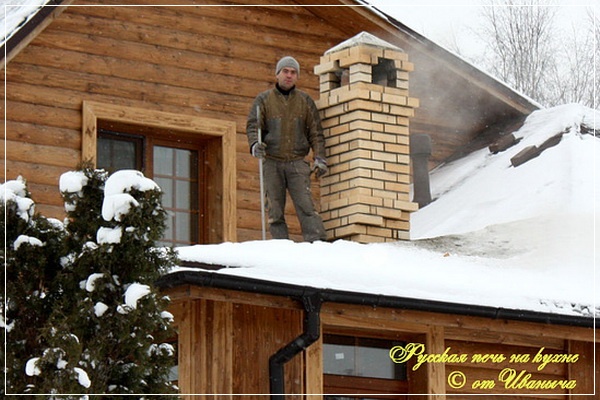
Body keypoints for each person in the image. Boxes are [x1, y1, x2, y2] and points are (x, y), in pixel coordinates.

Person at [246, 56, 328, 242]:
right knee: (274, 209)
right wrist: (254, 145)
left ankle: (317, 243)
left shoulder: (305, 101)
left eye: (293, 72)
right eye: (285, 71)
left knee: (306, 206)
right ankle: (279, 245)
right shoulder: (264, 100)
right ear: (277, 74)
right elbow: (253, 126)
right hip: (272, 161)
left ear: (297, 77)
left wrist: (320, 158)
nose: (289, 75)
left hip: (297, 162)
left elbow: (316, 132)